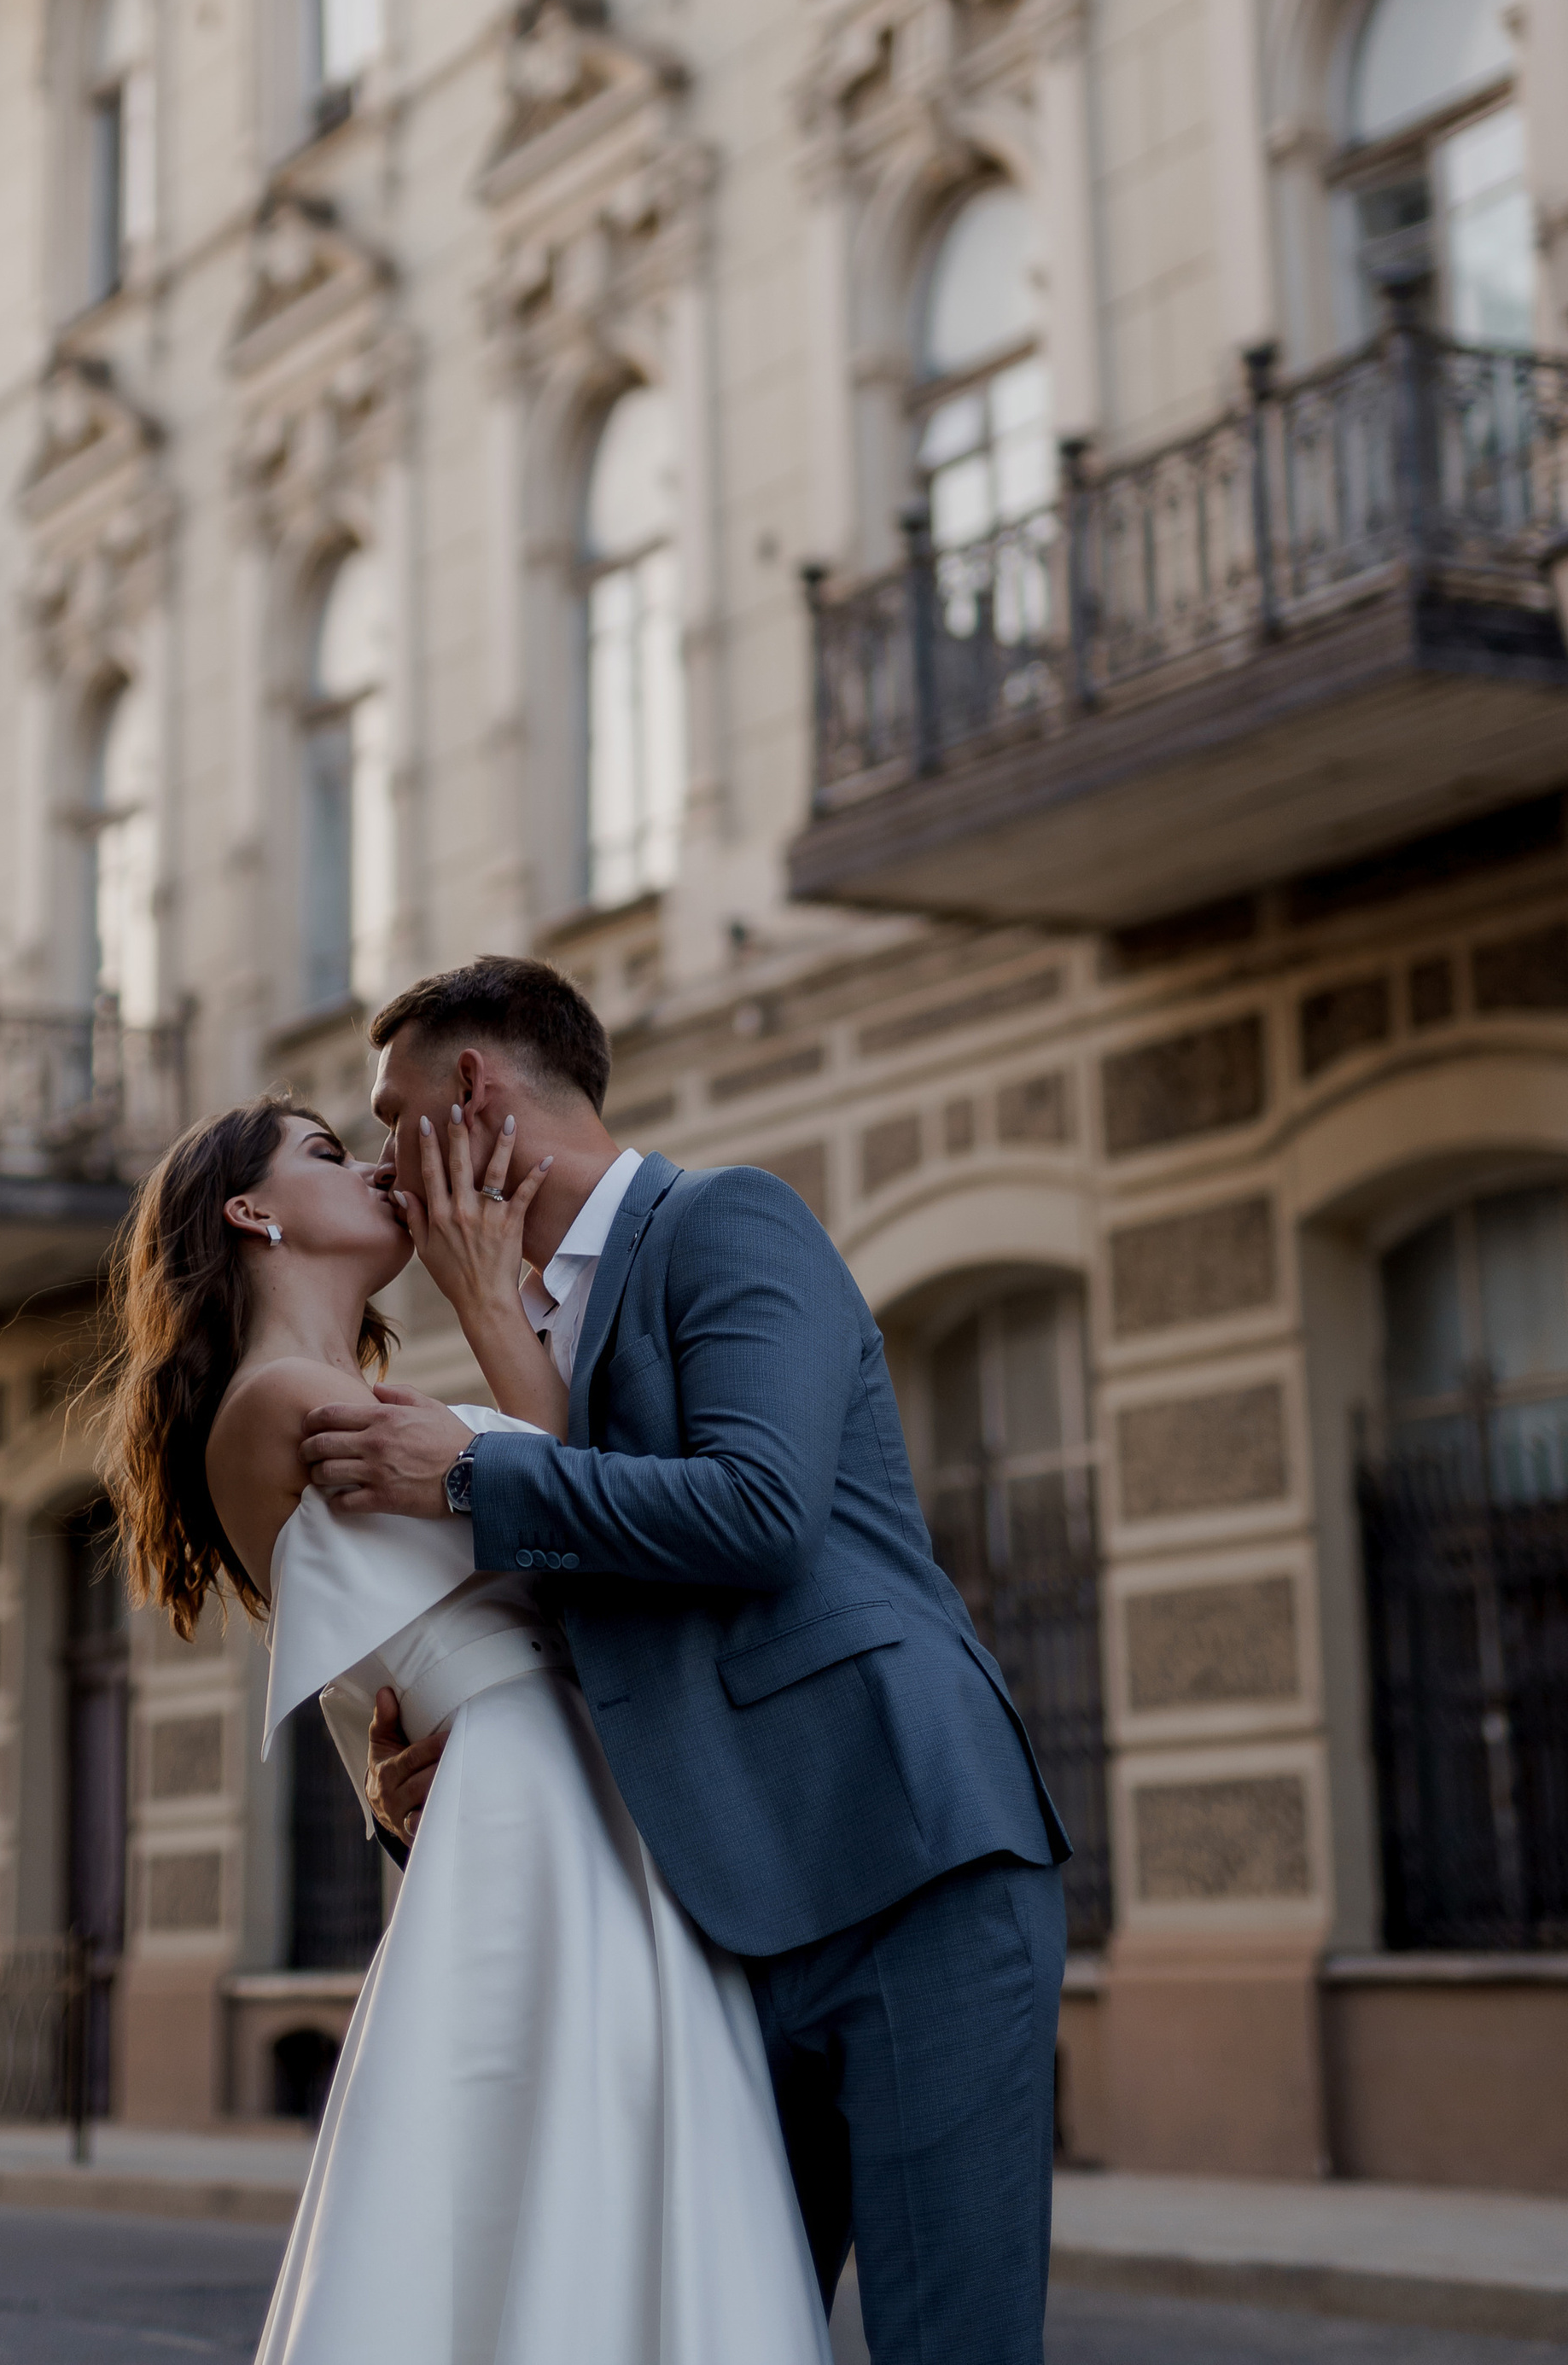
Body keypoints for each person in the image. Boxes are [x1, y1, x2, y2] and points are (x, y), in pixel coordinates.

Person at [302, 955, 1071, 2365]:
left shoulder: (728, 1222)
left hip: (906, 1874)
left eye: (389, 1123)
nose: (382, 1171)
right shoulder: (522, 1331)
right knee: (703, 2328)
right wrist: (432, 1762)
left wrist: (474, 1472)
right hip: (712, 1932)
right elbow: (590, 1626)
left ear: (475, 1094)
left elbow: (759, 1512)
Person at [99, 1092, 830, 2365]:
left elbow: (556, 1503)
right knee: (566, 2135)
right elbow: (590, 1518)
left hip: (565, 1781)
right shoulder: (287, 1407)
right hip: (531, 1790)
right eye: (330, 1152)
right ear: (251, 1209)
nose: (383, 1164)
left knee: (603, 2135)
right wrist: (492, 1288)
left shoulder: (369, 1404)